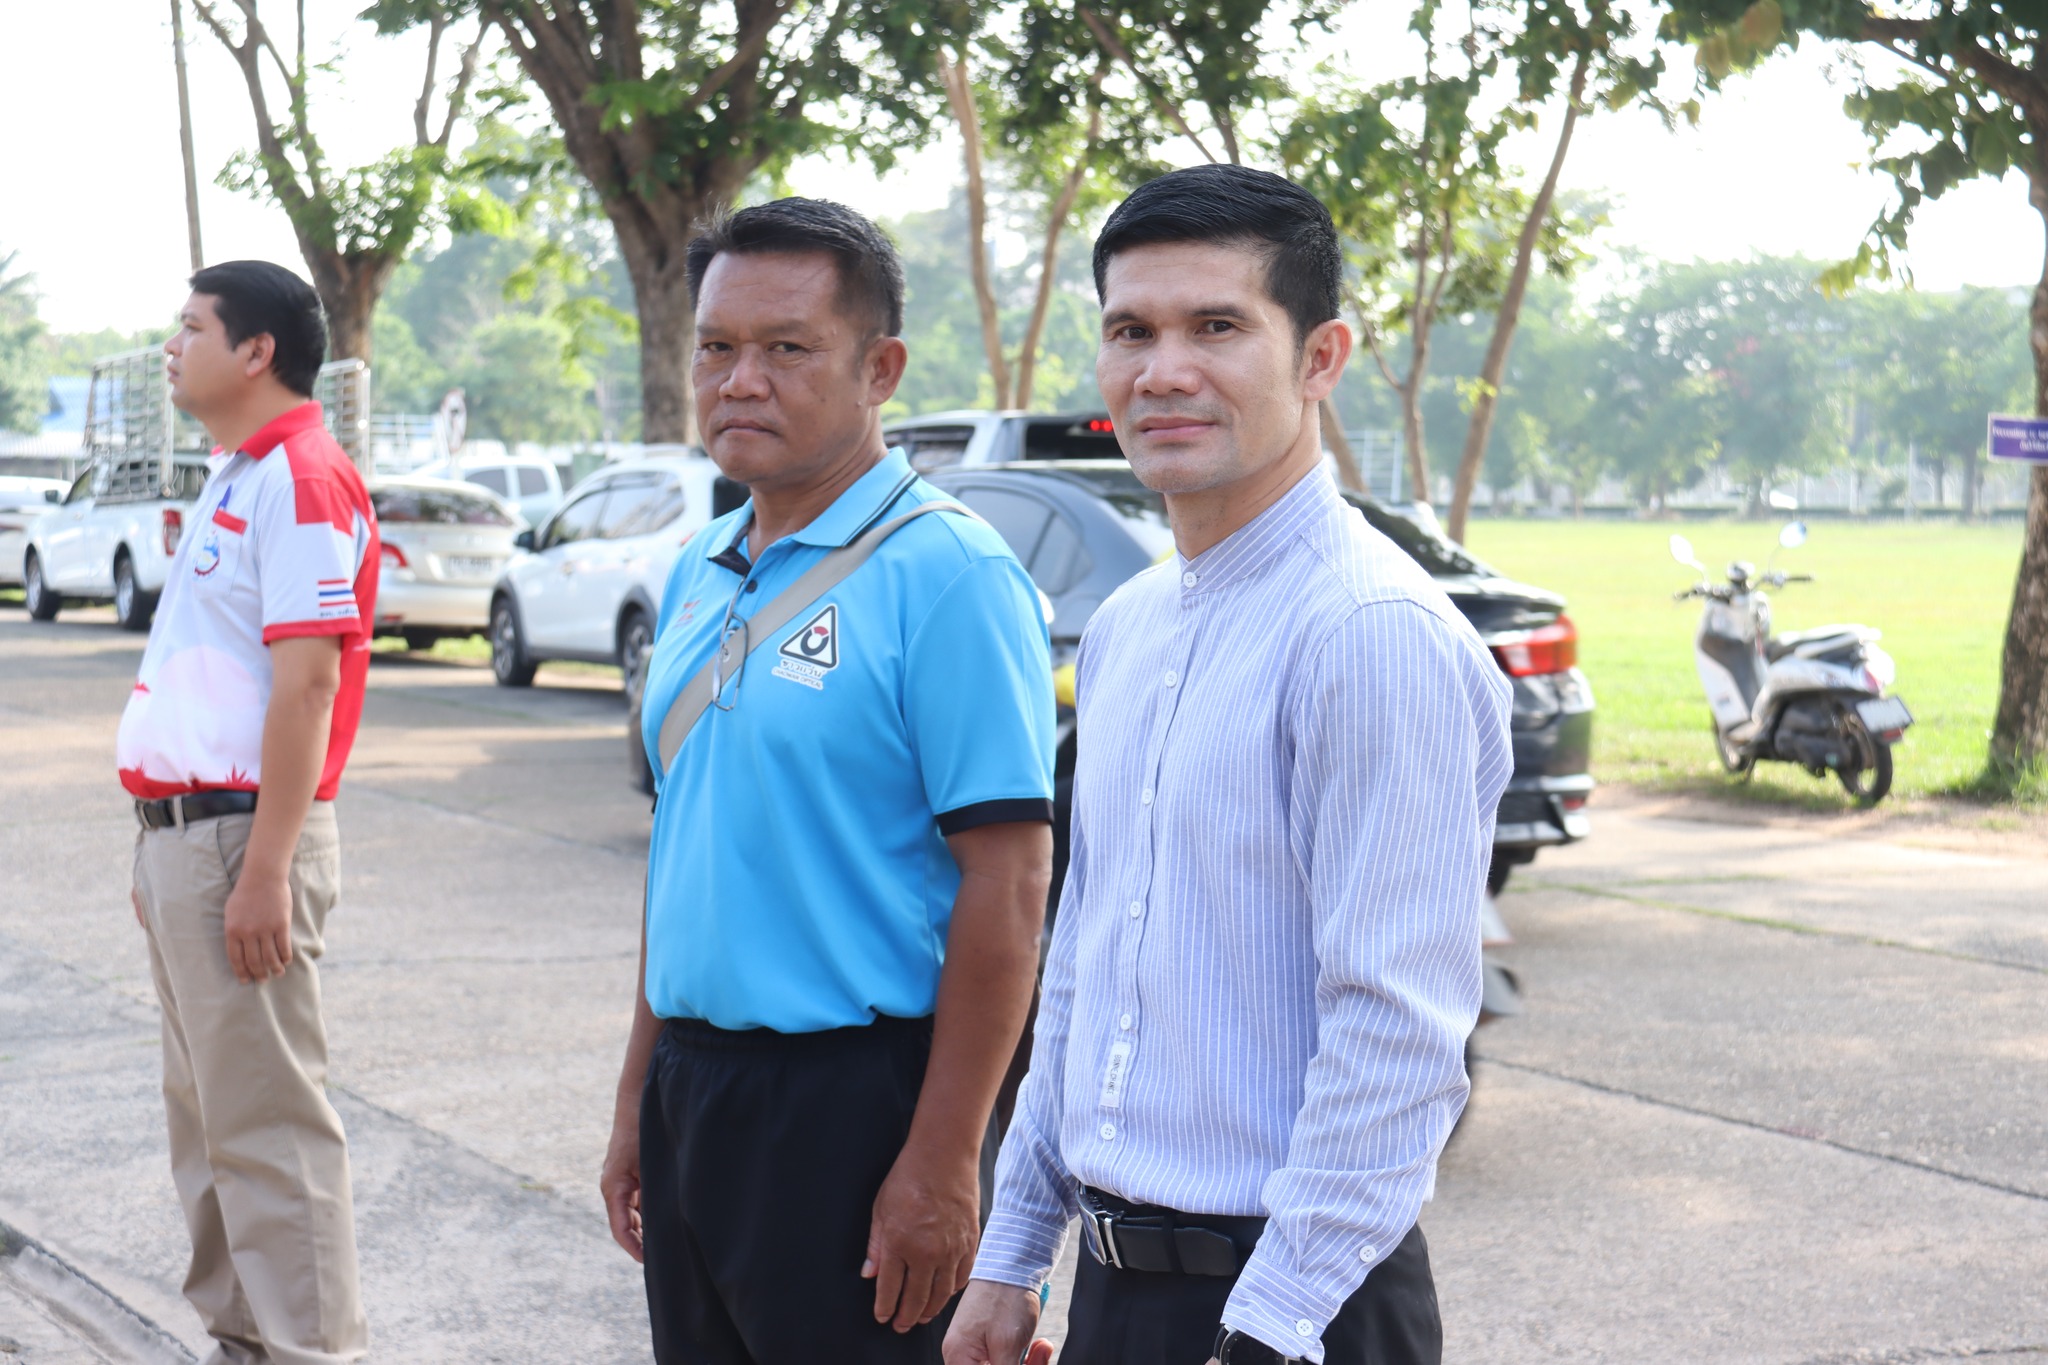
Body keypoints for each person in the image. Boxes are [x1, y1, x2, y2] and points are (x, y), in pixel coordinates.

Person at [946, 165, 1514, 1365]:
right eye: (1129, 331)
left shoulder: (1366, 633)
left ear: (1319, 358)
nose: (1162, 371)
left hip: (1295, 1308)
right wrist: (1013, 1252)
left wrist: (1268, 1328)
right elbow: (1082, 968)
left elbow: (1396, 1030)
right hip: (1117, 1296)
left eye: (1215, 327)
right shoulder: (1129, 627)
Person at [601, 198, 1057, 1364]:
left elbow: (1009, 887)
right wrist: (638, 1099)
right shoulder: (701, 569)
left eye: (787, 348)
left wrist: (943, 1160)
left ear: (879, 370)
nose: (740, 380)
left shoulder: (948, 574)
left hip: (854, 1107)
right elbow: (685, 856)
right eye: (716, 346)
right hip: (695, 1087)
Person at [120, 260, 380, 1364]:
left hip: (243, 839)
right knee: (210, 1123)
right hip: (192, 840)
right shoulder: (243, 471)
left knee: (269, 1128)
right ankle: (241, 1342)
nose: (171, 347)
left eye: (191, 328)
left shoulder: (304, 479)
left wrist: (263, 869)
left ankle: (309, 1352)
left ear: (257, 350)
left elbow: (308, 685)